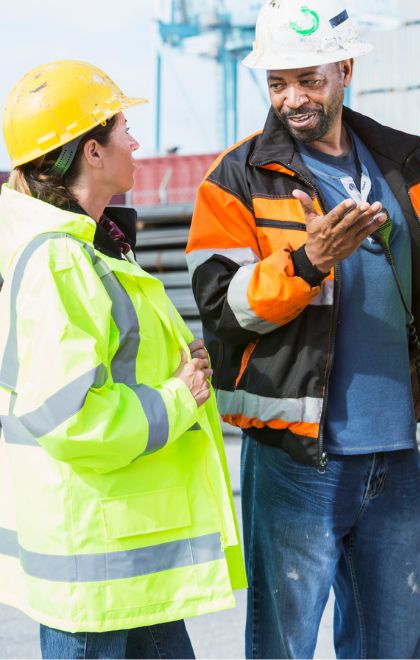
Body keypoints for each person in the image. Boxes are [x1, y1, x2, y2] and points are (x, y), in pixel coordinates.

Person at [186, 0, 420, 659]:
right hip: (295, 459)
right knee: (283, 647)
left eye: (308, 79)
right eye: (277, 81)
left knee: (394, 646)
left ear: (345, 70)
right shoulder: (235, 179)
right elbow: (222, 311)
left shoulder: (403, 163)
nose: (292, 98)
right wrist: (308, 261)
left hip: (394, 453)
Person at [0, 60, 245, 659]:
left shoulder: (89, 247)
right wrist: (178, 396)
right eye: (124, 128)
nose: (136, 142)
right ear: (91, 152)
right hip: (97, 565)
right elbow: (67, 415)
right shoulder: (61, 260)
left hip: (123, 557)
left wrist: (176, 365)